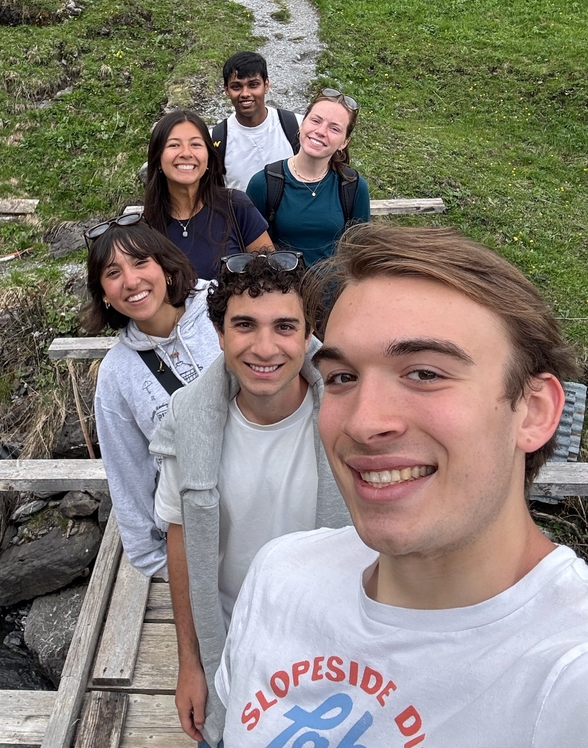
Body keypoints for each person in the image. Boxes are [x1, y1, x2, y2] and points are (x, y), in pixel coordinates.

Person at [216, 225, 588, 748]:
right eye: (342, 377)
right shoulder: (279, 575)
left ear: (534, 411)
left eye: (425, 374)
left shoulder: (568, 678)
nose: (363, 423)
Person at [151, 250, 351, 747]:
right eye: (245, 325)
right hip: (231, 646)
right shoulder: (187, 420)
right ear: (219, 335)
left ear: (309, 336)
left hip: (336, 646)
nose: (265, 347)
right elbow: (180, 542)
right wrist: (190, 663)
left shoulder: (352, 422)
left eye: (285, 327)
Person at [83, 216, 222, 578]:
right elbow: (127, 473)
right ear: (103, 293)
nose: (131, 281)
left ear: (166, 267)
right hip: (201, 539)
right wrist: (159, 563)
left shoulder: (223, 307)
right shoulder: (116, 375)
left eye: (140, 262)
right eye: (113, 273)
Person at [144, 109, 272, 280]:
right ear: (158, 159)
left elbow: (271, 276)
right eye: (174, 145)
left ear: (209, 157)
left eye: (196, 144)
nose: (186, 153)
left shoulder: (236, 206)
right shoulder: (145, 227)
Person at [246, 91, 371, 267]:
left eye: (334, 128)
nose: (321, 131)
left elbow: (360, 253)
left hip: (337, 285)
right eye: (316, 121)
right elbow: (252, 253)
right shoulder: (264, 183)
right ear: (302, 124)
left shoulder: (353, 186)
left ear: (344, 142)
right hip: (281, 283)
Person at [211, 52, 303, 192]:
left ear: (266, 85)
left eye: (253, 85)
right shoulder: (215, 139)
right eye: (236, 87)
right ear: (226, 90)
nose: (245, 93)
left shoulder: (298, 126)